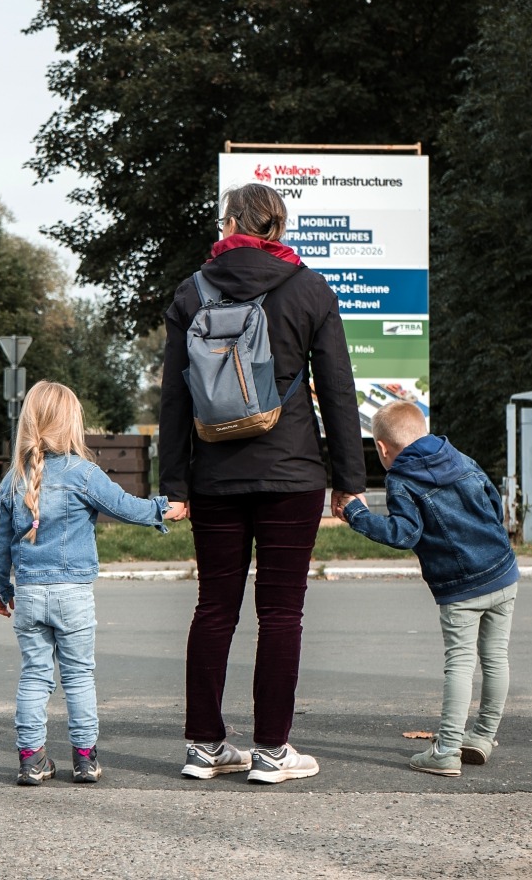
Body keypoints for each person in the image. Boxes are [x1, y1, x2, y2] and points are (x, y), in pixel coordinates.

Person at [159, 182, 366, 784]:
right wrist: (347, 481)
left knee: (213, 609)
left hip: (214, 475)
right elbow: (337, 391)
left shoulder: (191, 292)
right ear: (279, 225)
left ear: (229, 225)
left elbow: (174, 398)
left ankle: (204, 747)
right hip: (292, 472)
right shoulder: (308, 288)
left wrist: (176, 484)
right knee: (281, 613)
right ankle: (273, 752)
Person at [0, 380, 175, 786]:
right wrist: (164, 508)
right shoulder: (84, 474)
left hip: (30, 596)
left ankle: (31, 761)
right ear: (72, 423)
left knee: (35, 675)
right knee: (78, 675)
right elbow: (125, 507)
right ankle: (86, 760)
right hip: (73, 596)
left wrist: (1, 589)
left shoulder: (12, 480)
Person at [333, 398, 519, 776]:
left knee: (460, 664)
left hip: (461, 586)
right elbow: (492, 500)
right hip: (503, 570)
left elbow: (404, 533)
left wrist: (356, 514)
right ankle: (481, 736)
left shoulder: (401, 478)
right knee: (495, 657)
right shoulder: (459, 456)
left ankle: (447, 750)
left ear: (383, 449)